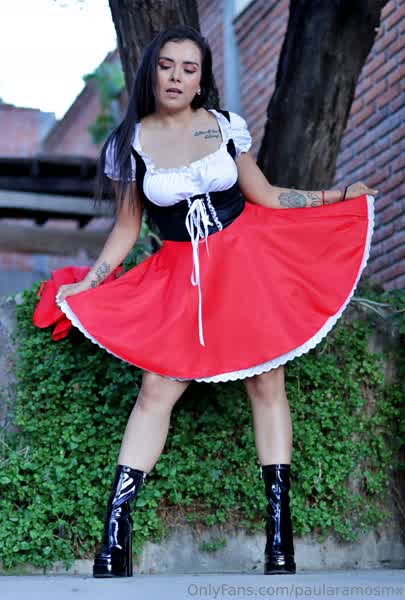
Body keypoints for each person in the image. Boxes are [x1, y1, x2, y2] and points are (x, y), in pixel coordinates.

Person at [32, 24, 377, 578]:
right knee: (155, 389)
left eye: (189, 69)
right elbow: (127, 228)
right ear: (152, 72)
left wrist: (336, 196)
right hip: (181, 274)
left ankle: (280, 541)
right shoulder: (129, 143)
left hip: (245, 263)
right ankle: (115, 540)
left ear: (201, 80)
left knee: (267, 383)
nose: (176, 77)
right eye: (167, 65)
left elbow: (266, 194)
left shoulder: (222, 126)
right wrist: (91, 280)